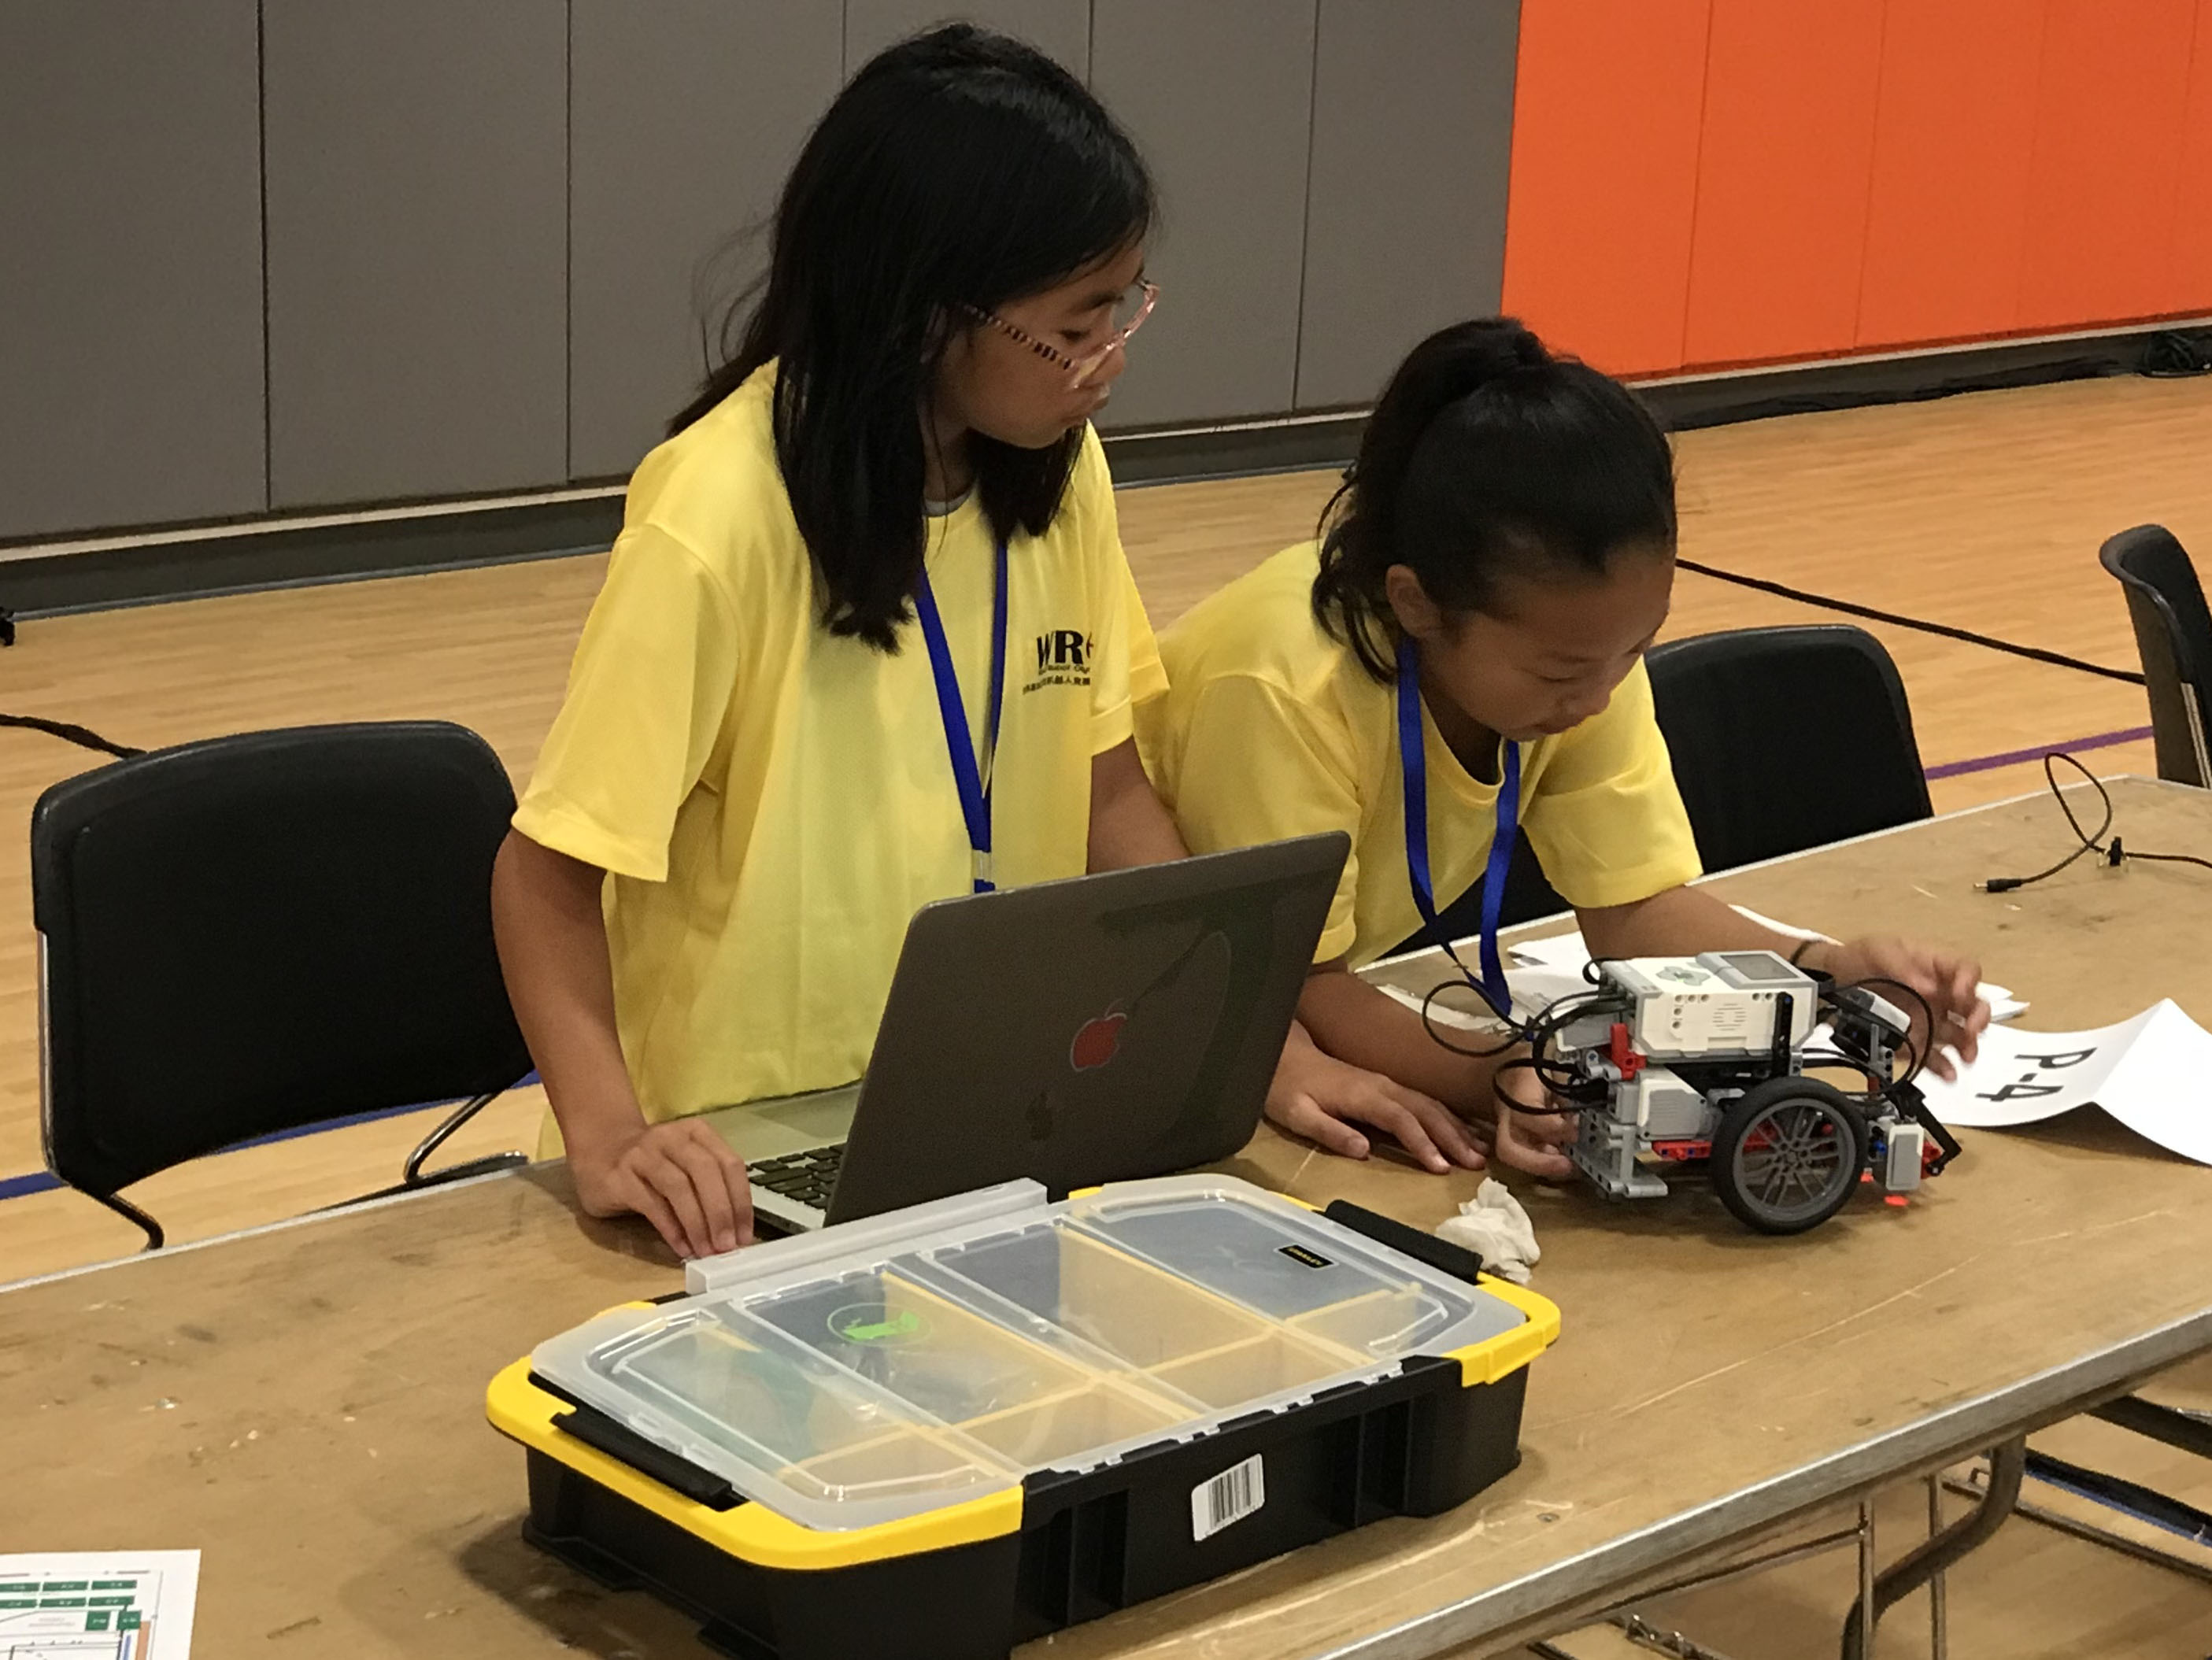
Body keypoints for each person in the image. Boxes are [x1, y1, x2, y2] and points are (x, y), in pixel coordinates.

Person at [489, 27, 1189, 1260]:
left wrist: (1225, 1038)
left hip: (979, 1118)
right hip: (744, 1159)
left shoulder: (1063, 474)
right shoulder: (715, 515)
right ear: (928, 311)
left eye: (1121, 309)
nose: (1107, 362)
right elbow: (545, 879)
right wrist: (609, 1138)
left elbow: (1108, 788)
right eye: (1074, 328)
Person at [1137, 318, 1990, 1179]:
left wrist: (1824, 972)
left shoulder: (1584, 658)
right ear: (1417, 605)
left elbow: (1632, 907)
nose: (1597, 699)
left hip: (1256, 987)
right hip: (1143, 994)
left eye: (1633, 649)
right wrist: (1506, 1074)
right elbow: (1294, 980)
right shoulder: (1281, 683)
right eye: (1562, 672)